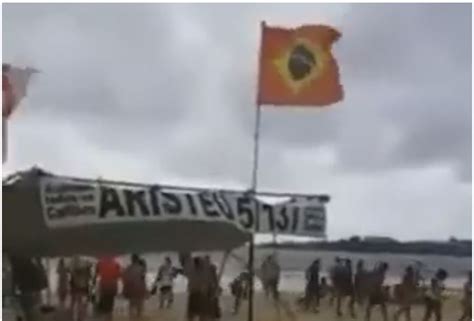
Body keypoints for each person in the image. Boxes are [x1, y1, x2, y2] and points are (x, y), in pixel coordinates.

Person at [10, 256, 48, 321]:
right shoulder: (32, 266)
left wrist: (13, 291)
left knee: (27, 313)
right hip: (31, 293)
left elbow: (15, 280)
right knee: (29, 313)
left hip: (26, 292)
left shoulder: (20, 266)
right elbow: (40, 282)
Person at [180, 253, 212, 321]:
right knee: (201, 316)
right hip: (200, 296)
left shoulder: (193, 273)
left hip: (196, 295)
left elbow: (184, 264)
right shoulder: (204, 273)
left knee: (193, 316)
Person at [95, 256, 121, 321]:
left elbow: (97, 273)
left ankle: (105, 317)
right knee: (110, 303)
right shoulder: (116, 264)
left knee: (104, 302)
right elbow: (119, 275)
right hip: (112, 285)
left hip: (103, 284)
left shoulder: (100, 263)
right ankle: (109, 318)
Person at [122, 254, 147, 321]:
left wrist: (124, 290)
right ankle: (139, 318)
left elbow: (124, 279)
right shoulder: (142, 268)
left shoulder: (128, 268)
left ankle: (131, 319)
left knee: (131, 306)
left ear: (132, 260)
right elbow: (143, 279)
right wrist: (145, 290)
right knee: (139, 307)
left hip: (131, 289)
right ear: (137, 260)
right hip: (140, 289)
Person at [70, 256, 93, 321]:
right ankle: (80, 317)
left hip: (78, 289)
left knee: (79, 303)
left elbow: (74, 278)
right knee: (82, 303)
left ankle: (79, 316)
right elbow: (89, 279)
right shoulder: (86, 272)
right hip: (83, 289)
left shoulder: (78, 271)